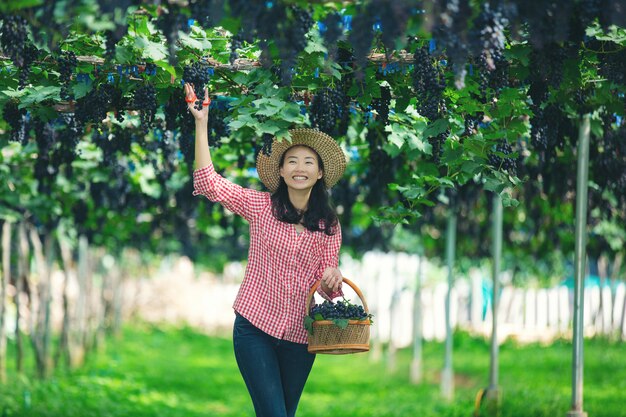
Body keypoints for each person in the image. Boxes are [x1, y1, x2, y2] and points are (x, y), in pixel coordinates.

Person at [185, 83, 347, 417]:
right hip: (254, 328)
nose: (299, 168)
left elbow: (326, 287)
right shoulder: (260, 206)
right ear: (282, 170)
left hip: (301, 339)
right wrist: (202, 123)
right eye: (291, 161)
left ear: (319, 173)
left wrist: (334, 278)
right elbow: (208, 183)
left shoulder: (329, 225)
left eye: (307, 162)